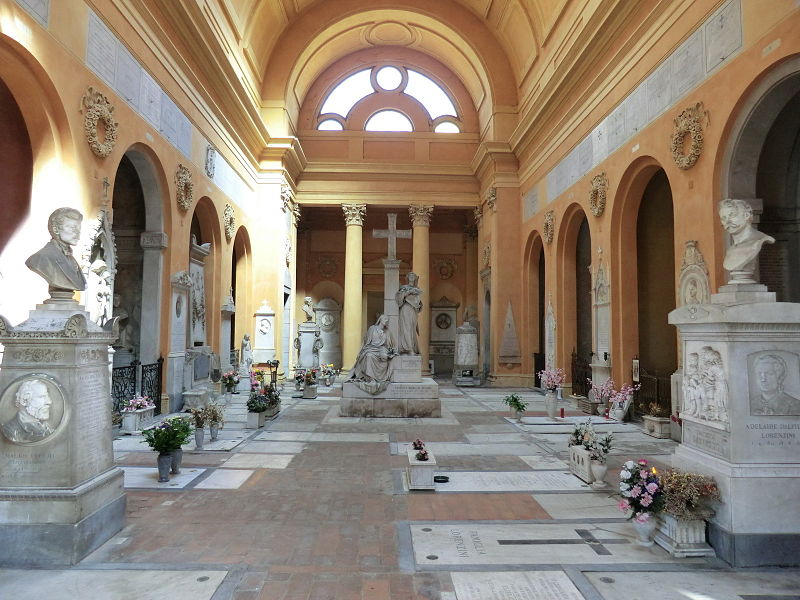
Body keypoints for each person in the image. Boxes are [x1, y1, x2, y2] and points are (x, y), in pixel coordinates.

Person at [25, 207, 87, 294]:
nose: (78, 233)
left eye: (79, 229)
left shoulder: (71, 259)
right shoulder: (42, 257)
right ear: (55, 229)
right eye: (73, 228)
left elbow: (80, 284)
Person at [718, 199, 775, 284]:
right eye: (723, 218)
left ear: (747, 215)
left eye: (732, 215)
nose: (727, 221)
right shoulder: (730, 250)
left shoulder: (759, 241)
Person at [348, 314, 395, 394]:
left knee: (384, 356)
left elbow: (391, 345)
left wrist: (391, 352)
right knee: (368, 355)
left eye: (387, 320)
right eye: (385, 319)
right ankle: (371, 379)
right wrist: (360, 351)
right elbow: (366, 342)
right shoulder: (372, 329)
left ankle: (380, 378)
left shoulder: (387, 332)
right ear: (380, 319)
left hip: (382, 349)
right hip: (371, 348)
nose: (386, 321)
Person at [1, 379, 55, 443]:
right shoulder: (10, 430)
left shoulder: (46, 428)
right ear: (25, 400)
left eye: (47, 396)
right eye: (42, 397)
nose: (49, 402)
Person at [395, 272, 422, 354]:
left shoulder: (417, 289)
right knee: (406, 328)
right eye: (410, 276)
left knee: (412, 330)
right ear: (407, 278)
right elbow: (399, 299)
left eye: (413, 276)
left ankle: (412, 347)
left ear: (415, 278)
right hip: (406, 308)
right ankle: (409, 349)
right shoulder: (404, 288)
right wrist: (407, 293)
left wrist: (419, 304)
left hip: (413, 310)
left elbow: (419, 303)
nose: (411, 277)